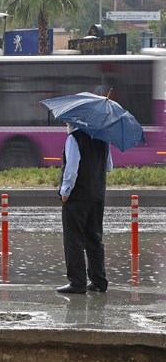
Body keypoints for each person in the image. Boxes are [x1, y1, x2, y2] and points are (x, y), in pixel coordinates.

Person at [57, 123, 113, 294]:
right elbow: (109, 166)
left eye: (68, 122)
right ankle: (98, 281)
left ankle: (77, 282)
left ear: (75, 122)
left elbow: (72, 169)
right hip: (97, 195)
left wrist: (65, 192)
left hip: (77, 196)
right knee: (94, 237)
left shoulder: (74, 138)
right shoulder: (103, 138)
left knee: (73, 239)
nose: (66, 125)